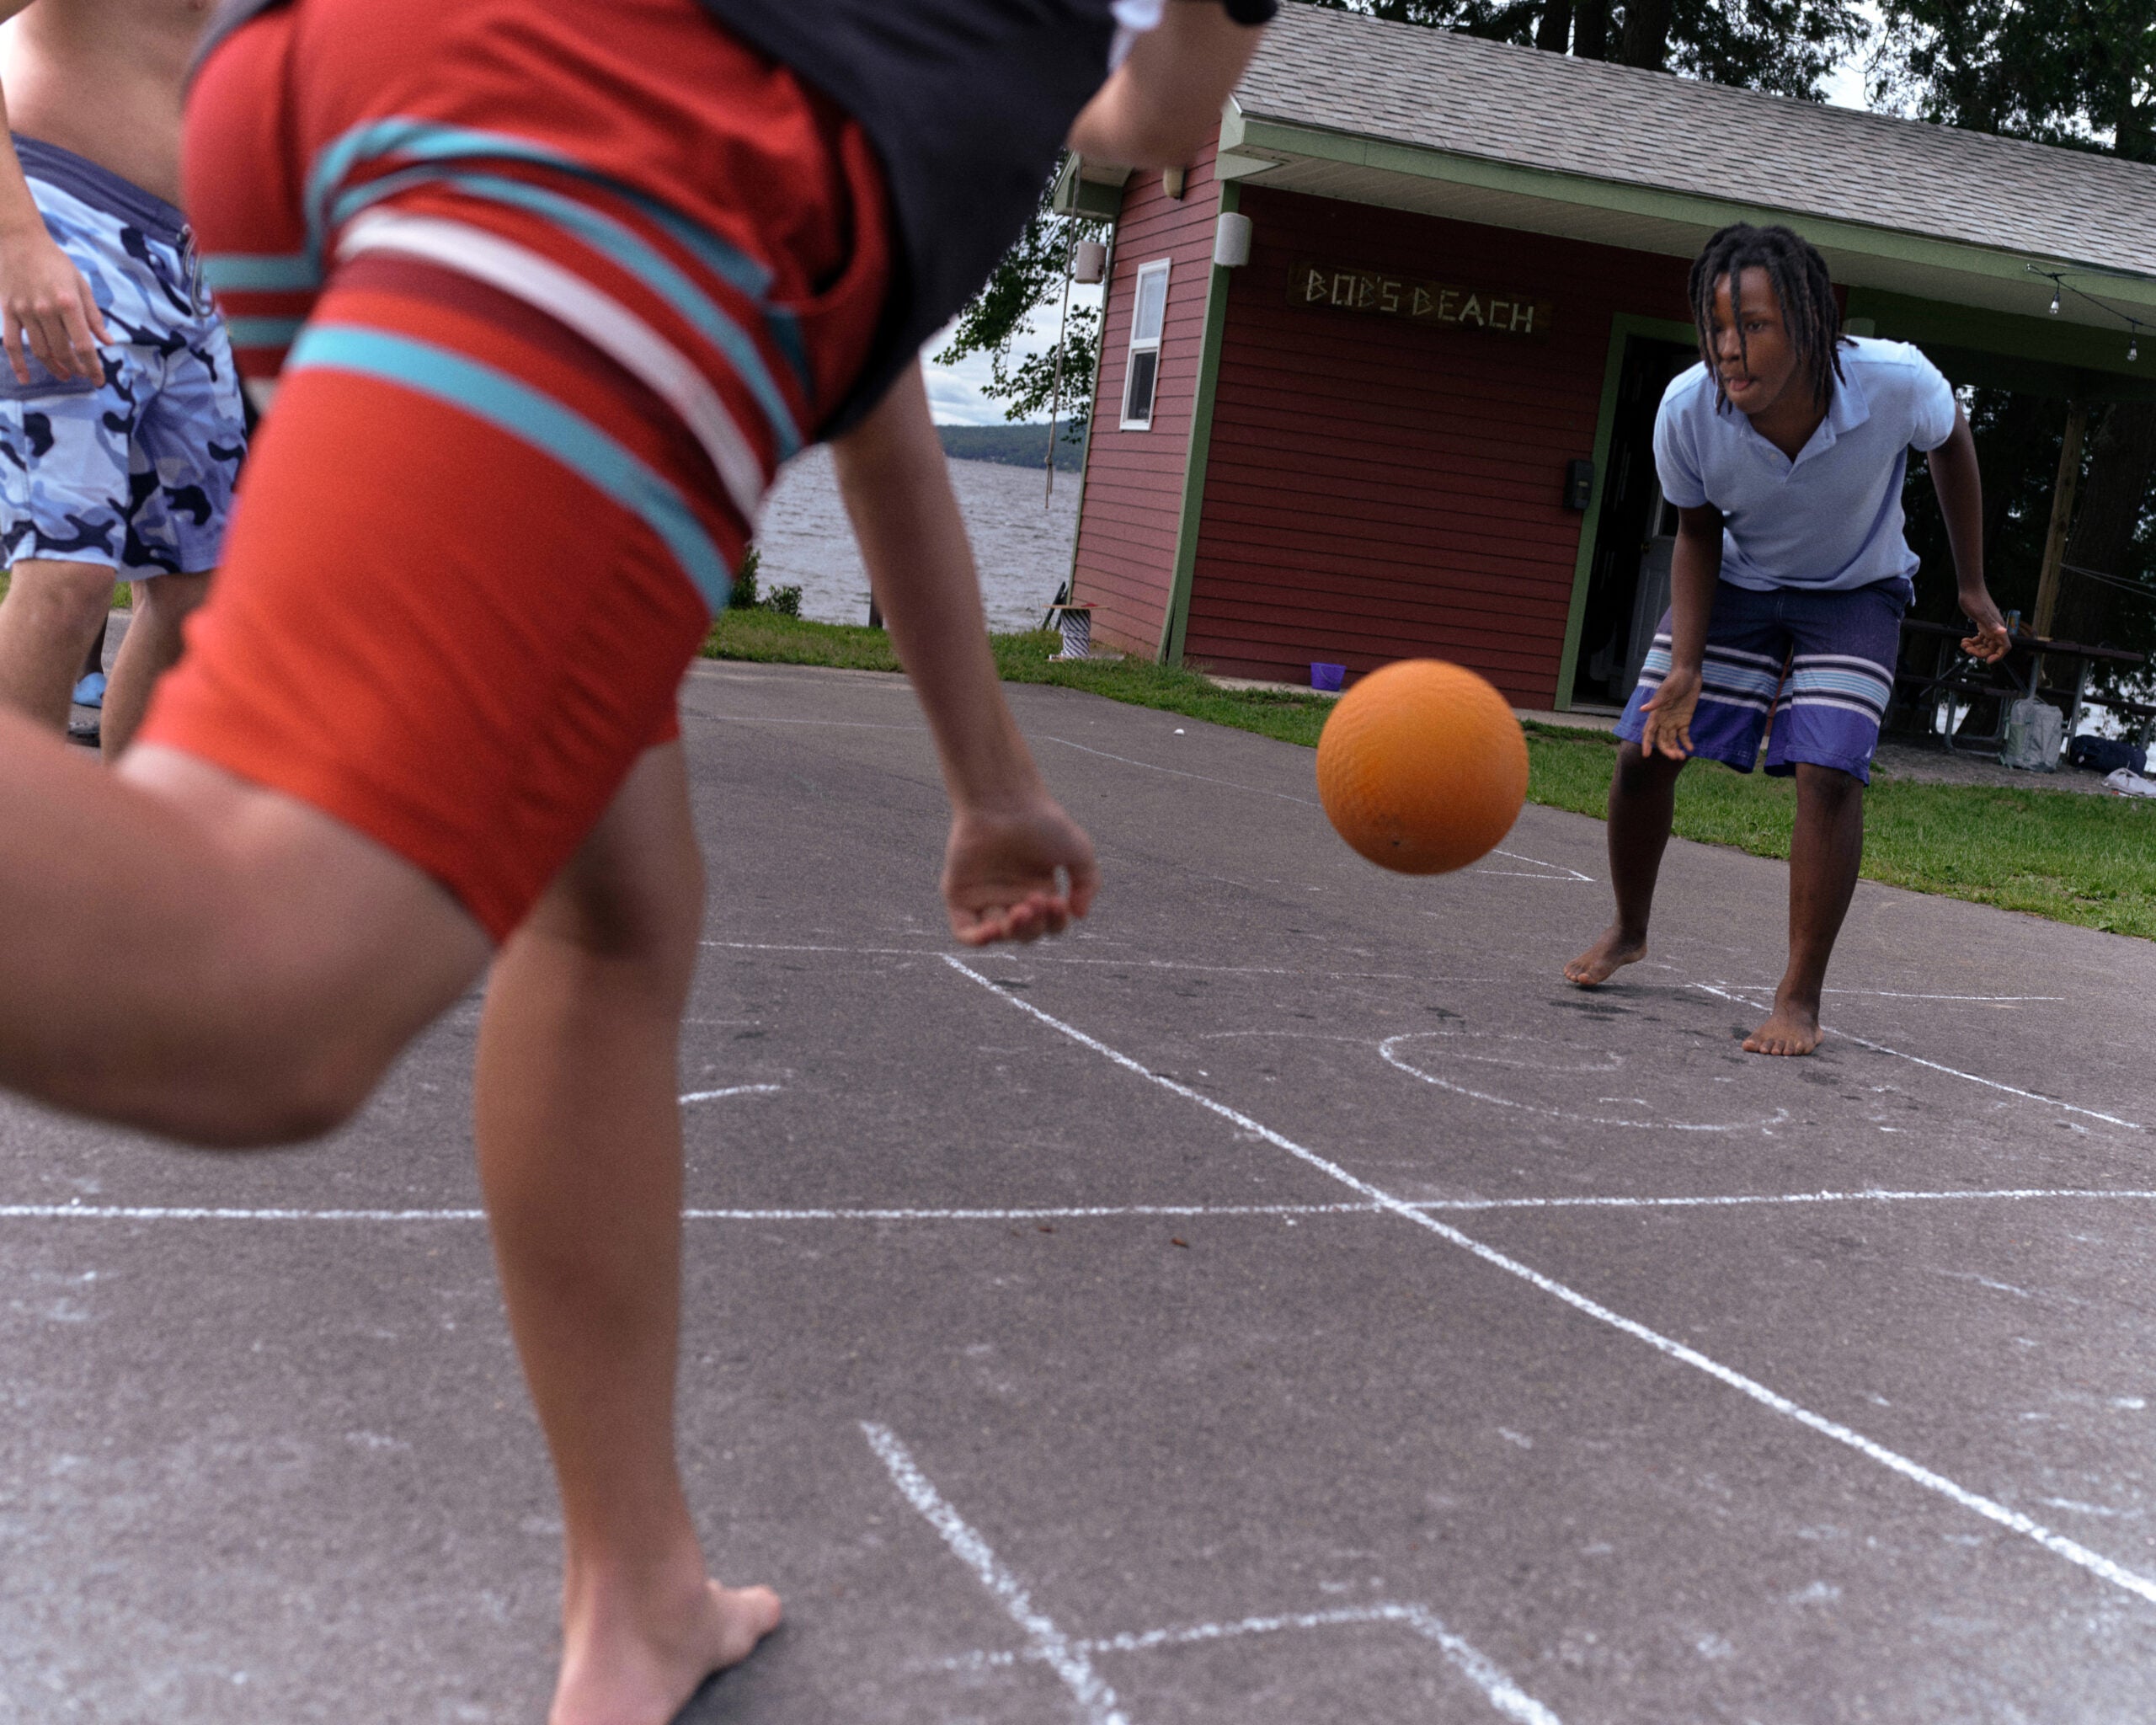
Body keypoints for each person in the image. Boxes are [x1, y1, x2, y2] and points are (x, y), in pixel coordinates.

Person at [0, 1, 1270, 1720]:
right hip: (630, 126)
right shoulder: (885, 85)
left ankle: (639, 1585)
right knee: (264, 963)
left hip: (320, 88)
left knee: (612, 899)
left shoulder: (886, 75)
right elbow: (1154, 108)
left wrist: (989, 781)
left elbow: (858, 378)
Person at [1565, 223, 2009, 1056]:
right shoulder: (1686, 410)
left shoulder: (1892, 380)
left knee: (1828, 770)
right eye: (1716, 329)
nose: (1729, 351)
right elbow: (1695, 532)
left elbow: (1950, 438)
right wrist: (1688, 662)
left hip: (1854, 589)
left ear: (1808, 323)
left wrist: (1972, 581)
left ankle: (1797, 995)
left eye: (1754, 327)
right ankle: (1628, 926)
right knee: (1644, 748)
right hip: (1737, 583)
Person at [0, 0, 243, 760]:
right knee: (67, 574)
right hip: (68, 224)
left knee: (199, 596)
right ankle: (22, 868)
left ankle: (121, 847)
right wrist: (17, 239)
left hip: (195, 263)